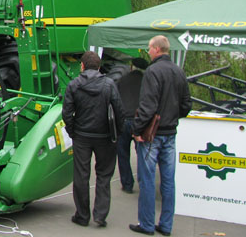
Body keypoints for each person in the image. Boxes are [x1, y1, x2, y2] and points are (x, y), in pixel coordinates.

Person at [129, 35, 192, 236]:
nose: (148, 51)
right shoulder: (179, 72)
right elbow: (186, 104)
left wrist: (137, 130)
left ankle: (147, 224)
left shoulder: (152, 71)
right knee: (168, 180)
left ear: (156, 49)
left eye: (149, 48)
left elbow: (147, 106)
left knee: (147, 180)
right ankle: (166, 224)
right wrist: (173, 117)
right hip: (170, 132)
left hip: (152, 135)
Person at [62, 51, 124, 227]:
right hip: (105, 136)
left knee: (81, 175)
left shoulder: (74, 85)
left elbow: (66, 113)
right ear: (99, 67)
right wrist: (117, 133)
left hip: (82, 135)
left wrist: (72, 131)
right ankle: (100, 214)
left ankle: (82, 215)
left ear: (82, 66)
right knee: (104, 175)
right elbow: (119, 110)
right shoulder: (109, 85)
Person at [116, 57, 149, 194]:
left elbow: (115, 99)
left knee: (123, 154)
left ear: (131, 66)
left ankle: (127, 184)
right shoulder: (147, 82)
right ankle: (144, 183)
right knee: (142, 154)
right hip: (139, 121)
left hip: (123, 120)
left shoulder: (121, 80)